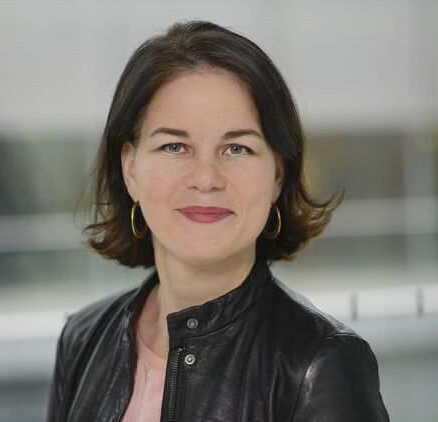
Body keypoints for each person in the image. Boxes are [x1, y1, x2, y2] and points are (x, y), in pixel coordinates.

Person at [47, 19, 390, 422]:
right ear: (130, 169)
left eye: (237, 149)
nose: (206, 179)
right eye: (175, 146)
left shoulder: (321, 363)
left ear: (277, 175)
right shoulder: (83, 338)